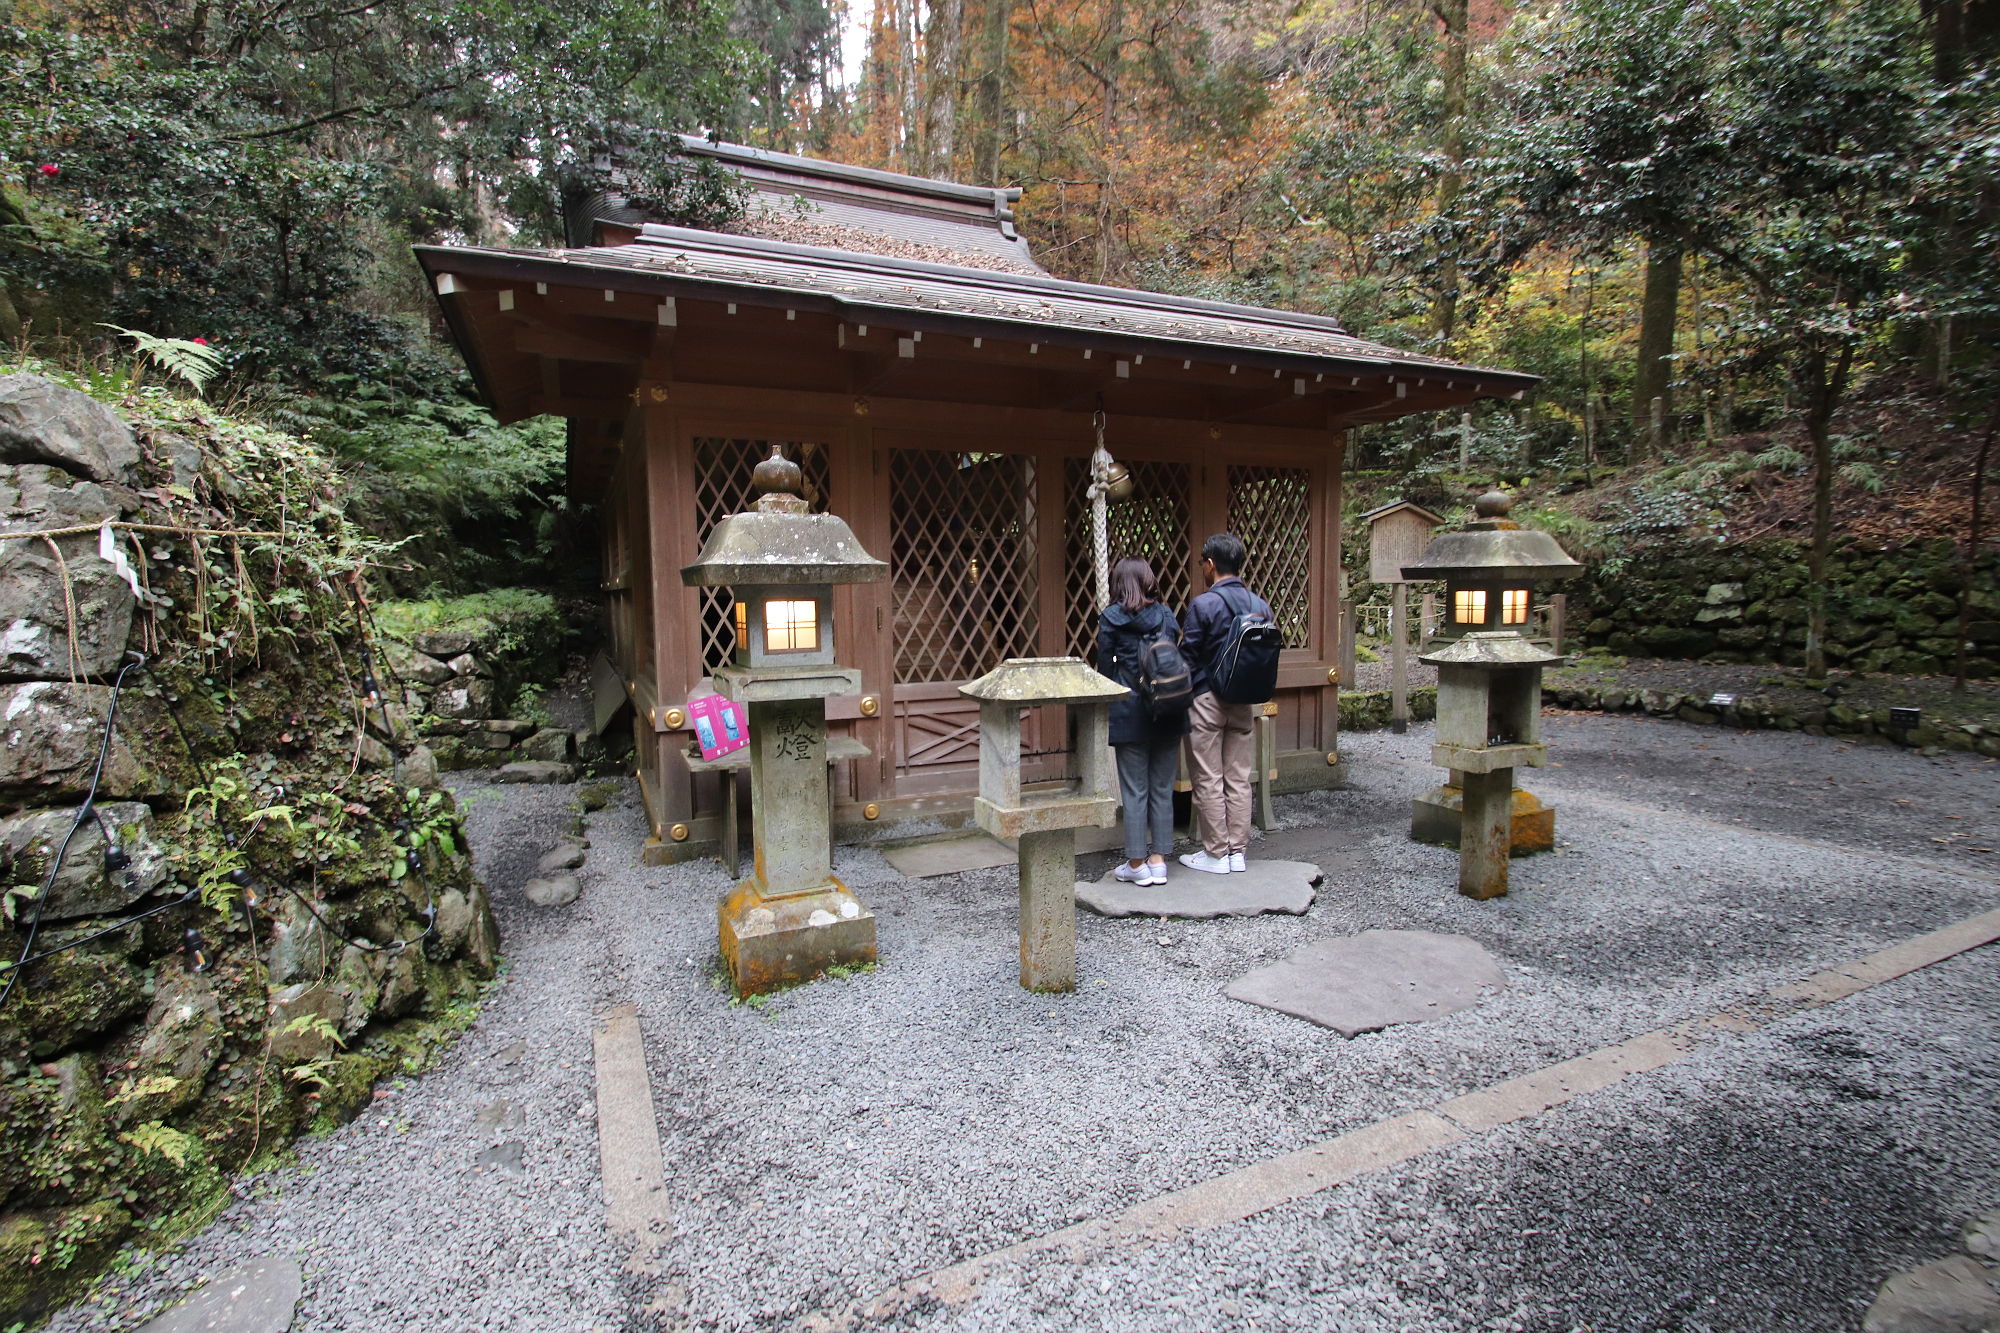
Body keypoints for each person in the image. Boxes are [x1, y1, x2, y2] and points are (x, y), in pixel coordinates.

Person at [1178, 532, 1271, 874]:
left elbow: (1187, 657)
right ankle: (1238, 852)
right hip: (1244, 698)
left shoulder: (1203, 604)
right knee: (1238, 777)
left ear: (1211, 564)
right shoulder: (1260, 605)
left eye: (1203, 562)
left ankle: (1216, 853)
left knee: (1208, 777)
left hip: (1206, 697)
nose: (1203, 567)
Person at [1097, 556, 1188, 886]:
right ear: (1149, 580)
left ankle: (1136, 865)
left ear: (1120, 583)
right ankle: (1159, 860)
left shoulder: (1111, 618)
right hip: (1168, 708)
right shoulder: (1165, 615)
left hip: (1129, 711)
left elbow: (1105, 671)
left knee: (1134, 790)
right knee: (1162, 788)